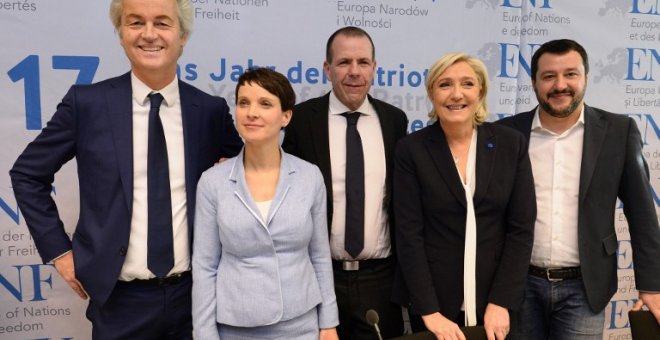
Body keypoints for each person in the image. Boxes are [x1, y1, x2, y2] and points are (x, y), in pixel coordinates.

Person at [9, 0, 242, 338]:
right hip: (119, 303)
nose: (149, 34)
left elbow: (247, 175)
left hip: (197, 299)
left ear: (182, 36)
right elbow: (27, 174)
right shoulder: (86, 104)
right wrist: (58, 250)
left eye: (162, 23)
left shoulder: (208, 110)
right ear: (121, 35)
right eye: (136, 23)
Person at [498, 39, 660, 339]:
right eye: (549, 76)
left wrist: (652, 285)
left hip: (586, 287)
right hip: (519, 286)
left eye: (570, 74)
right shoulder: (507, 132)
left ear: (585, 77)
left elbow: (642, 213)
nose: (561, 85)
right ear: (533, 82)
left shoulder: (618, 131)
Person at [392, 53, 536, 340]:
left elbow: (521, 228)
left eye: (467, 83)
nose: (456, 94)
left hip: (495, 303)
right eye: (445, 84)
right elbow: (409, 234)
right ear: (432, 93)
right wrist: (429, 310)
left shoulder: (510, 144)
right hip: (436, 306)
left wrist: (502, 300)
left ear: (480, 91)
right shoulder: (412, 150)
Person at [191, 67, 339, 340]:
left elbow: (319, 256)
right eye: (243, 103)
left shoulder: (310, 176)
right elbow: (205, 266)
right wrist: (204, 334)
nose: (252, 112)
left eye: (265, 104)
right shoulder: (212, 182)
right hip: (235, 328)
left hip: (301, 325)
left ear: (286, 116)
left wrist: (328, 323)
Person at [282, 26, 408, 339]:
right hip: (318, 276)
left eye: (363, 62)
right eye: (343, 62)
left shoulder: (395, 120)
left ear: (375, 68)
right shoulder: (300, 119)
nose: (354, 72)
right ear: (327, 68)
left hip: (380, 279)